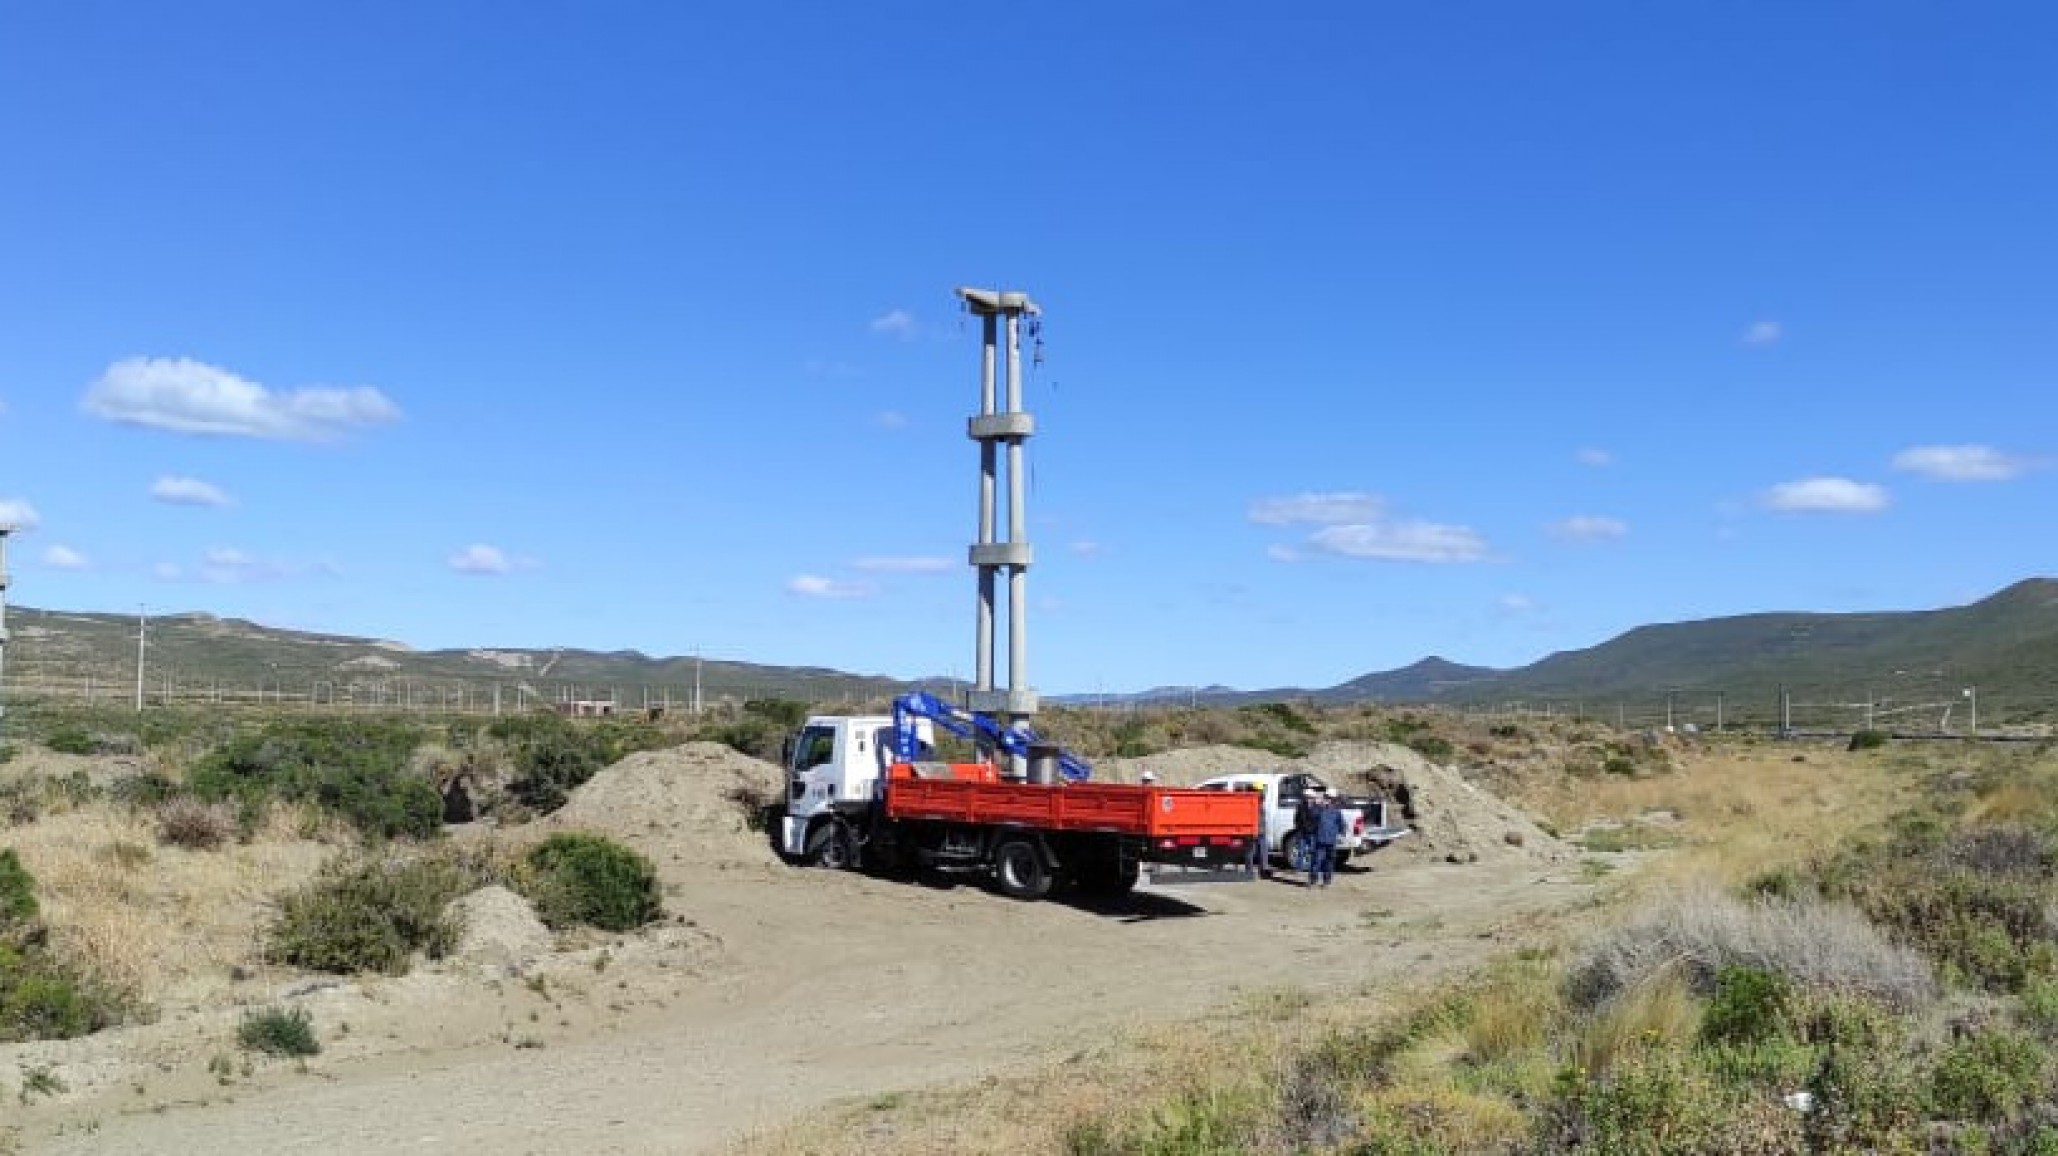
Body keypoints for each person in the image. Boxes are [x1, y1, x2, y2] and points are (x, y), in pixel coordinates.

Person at [1311, 789, 1346, 888]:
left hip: (1331, 840)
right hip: (1320, 839)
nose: (1328, 799)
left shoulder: (1337, 811)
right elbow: (1313, 816)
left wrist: (1342, 834)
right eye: (1327, 797)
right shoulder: (1319, 809)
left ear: (1333, 799)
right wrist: (1318, 805)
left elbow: (1341, 824)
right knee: (1316, 861)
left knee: (1329, 862)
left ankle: (1326, 881)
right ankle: (1313, 880)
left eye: (1330, 798)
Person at [1243, 780, 1270, 878]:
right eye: (1260, 790)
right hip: (1255, 829)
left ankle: (1253, 870)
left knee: (1255, 850)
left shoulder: (1251, 799)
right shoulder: (1255, 800)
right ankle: (1254, 870)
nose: (1262, 792)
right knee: (1252, 851)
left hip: (1257, 829)